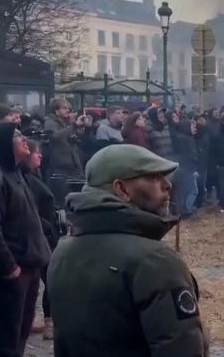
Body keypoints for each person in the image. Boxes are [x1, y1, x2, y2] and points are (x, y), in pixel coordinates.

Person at [49, 144, 210, 357]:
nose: (167, 185)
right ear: (122, 189)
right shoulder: (154, 261)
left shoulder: (63, 251)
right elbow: (180, 349)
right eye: (153, 177)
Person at [0, 123, 50, 357]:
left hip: (28, 268)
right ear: (3, 143)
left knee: (18, 336)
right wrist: (9, 266)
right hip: (8, 274)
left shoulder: (16, 173)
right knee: (1, 339)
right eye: (16, 135)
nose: (24, 139)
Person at [20, 139, 60, 341]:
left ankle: (47, 320)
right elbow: (30, 210)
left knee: (46, 279)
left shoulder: (36, 176)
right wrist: (48, 226)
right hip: (39, 237)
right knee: (47, 278)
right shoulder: (25, 180)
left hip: (45, 235)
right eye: (37, 153)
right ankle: (45, 321)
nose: (40, 156)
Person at [45, 98, 90, 178]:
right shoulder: (50, 122)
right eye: (64, 108)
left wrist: (85, 127)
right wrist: (74, 125)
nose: (68, 110)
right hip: (60, 167)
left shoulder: (66, 124)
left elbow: (78, 139)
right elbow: (55, 137)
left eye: (68, 108)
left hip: (74, 166)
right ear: (56, 110)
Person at [170, 117, 200, 218]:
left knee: (180, 191)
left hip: (179, 167)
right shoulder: (188, 139)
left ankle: (180, 210)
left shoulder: (177, 138)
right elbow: (192, 155)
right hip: (188, 168)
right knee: (193, 190)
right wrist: (194, 169)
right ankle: (186, 210)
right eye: (191, 126)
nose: (193, 128)